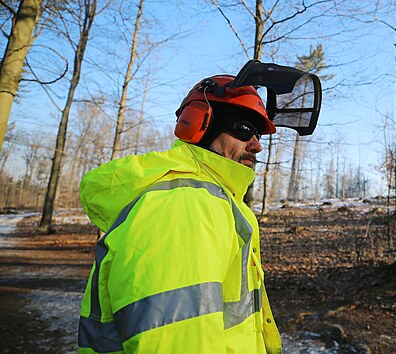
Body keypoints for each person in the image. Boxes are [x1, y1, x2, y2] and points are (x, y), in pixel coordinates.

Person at [77, 74, 282, 353]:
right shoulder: (185, 205)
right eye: (244, 129)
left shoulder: (215, 201)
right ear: (201, 125)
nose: (256, 145)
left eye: (259, 135)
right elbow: (174, 339)